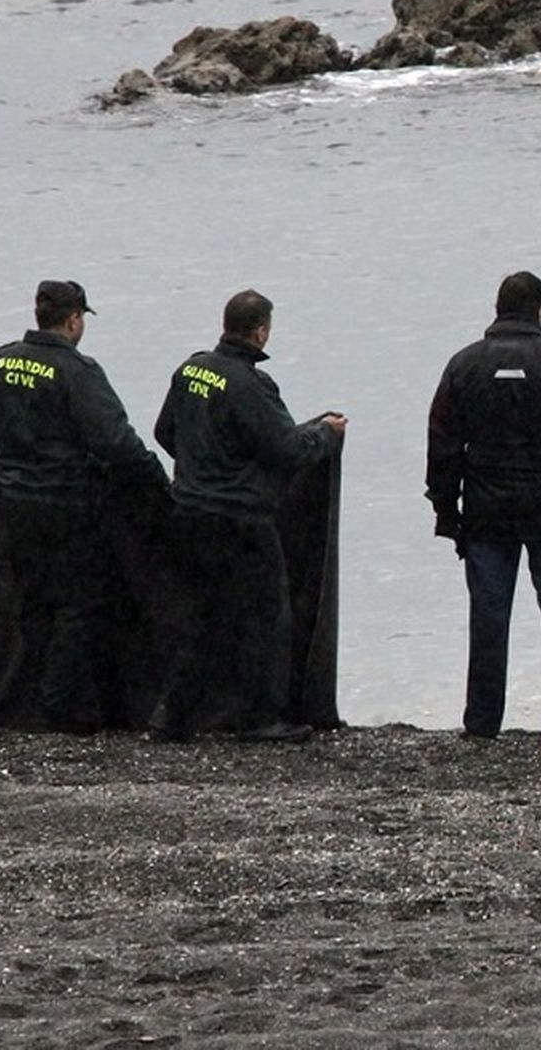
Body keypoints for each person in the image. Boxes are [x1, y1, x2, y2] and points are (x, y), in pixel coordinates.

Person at [151, 289, 347, 743]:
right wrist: (326, 434)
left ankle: (171, 715)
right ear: (260, 331)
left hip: (189, 511)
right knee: (266, 615)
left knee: (204, 615)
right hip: (240, 520)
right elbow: (287, 449)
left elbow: (165, 432)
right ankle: (259, 717)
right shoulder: (250, 385)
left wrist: (202, 469)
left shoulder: (190, 369)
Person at [0, 279, 169, 733]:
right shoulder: (78, 371)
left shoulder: (0, 360)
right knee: (79, 605)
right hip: (67, 503)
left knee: (34, 602)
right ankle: (62, 707)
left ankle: (37, 698)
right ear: (74, 319)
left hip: (15, 500)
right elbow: (116, 442)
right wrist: (160, 486)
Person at [426, 271, 541, 740]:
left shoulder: (463, 366)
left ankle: (481, 725)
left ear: (498, 308)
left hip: (486, 513)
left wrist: (446, 512)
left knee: (488, 617)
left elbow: (442, 443)